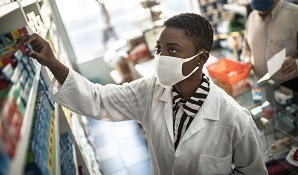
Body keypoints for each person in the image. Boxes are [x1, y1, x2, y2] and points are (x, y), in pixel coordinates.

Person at [16, 13, 267, 174]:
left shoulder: (234, 119)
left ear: (200, 59)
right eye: (159, 48)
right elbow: (98, 99)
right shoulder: (150, 91)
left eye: (173, 50)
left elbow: (253, 171)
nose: (160, 57)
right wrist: (53, 62)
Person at [241, 0, 298, 90]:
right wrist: (247, 60)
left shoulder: (294, 15)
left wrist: (295, 64)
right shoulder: (251, 17)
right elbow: (246, 48)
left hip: (289, 86)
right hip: (261, 85)